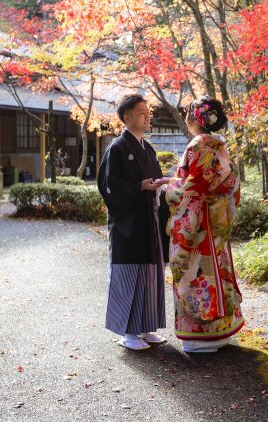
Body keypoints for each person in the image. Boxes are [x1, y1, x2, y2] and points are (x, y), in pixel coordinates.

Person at [165, 96, 244, 353]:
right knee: (216, 271)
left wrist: (168, 187)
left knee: (195, 273)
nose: (186, 118)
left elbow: (190, 188)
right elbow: (232, 187)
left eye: (188, 114)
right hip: (216, 222)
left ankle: (199, 338)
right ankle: (221, 332)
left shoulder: (197, 145)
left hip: (198, 224)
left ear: (195, 118)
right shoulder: (220, 145)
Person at [97, 94, 169, 351]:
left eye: (148, 112)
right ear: (127, 118)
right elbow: (108, 185)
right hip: (127, 223)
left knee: (150, 274)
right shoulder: (117, 148)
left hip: (148, 219)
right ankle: (128, 332)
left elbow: (154, 180)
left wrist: (161, 184)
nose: (148, 116)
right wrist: (139, 186)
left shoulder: (147, 148)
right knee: (129, 275)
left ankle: (147, 327)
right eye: (142, 112)